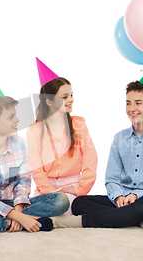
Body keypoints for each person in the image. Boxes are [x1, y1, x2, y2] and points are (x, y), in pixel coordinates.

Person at [53, 67, 143, 228]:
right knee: (79, 203)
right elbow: (112, 178)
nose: (132, 109)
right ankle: (132, 217)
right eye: (128, 103)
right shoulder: (119, 138)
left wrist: (136, 195)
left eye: (138, 103)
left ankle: (83, 222)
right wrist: (119, 197)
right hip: (123, 198)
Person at [0, 69, 69, 233]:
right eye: (11, 117)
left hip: (13, 202)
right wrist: (18, 217)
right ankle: (8, 223)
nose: (17, 120)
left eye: (15, 115)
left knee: (61, 200)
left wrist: (19, 211)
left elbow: (23, 181)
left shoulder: (20, 144)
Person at [27, 58, 98, 215]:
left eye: (71, 95)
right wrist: (51, 193)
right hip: (45, 190)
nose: (71, 100)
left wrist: (79, 189)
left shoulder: (78, 125)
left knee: (67, 208)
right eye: (65, 97)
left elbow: (90, 162)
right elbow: (36, 170)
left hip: (73, 187)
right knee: (55, 206)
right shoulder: (35, 131)